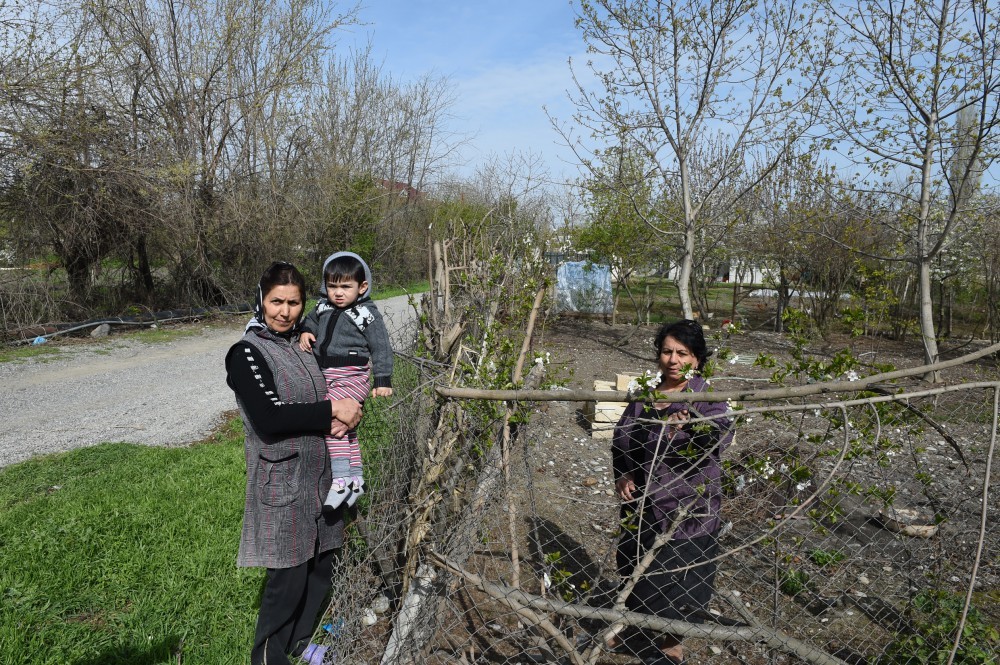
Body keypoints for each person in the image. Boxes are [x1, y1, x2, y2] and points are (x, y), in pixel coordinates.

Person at [226, 261, 363, 665]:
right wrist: (332, 410)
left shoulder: (305, 344)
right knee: (287, 577)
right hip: (283, 478)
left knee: (320, 566)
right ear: (261, 301)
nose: (285, 312)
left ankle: (301, 643)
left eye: (293, 303)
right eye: (276, 302)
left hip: (323, 475)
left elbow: (343, 379)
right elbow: (269, 417)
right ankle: (269, 656)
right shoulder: (247, 352)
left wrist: (353, 407)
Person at [611, 319, 734, 665]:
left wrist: (693, 425)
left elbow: (720, 436)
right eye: (667, 352)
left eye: (683, 353)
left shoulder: (705, 397)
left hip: (687, 506)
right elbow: (621, 438)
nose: (674, 360)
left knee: (682, 575)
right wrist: (623, 474)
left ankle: (672, 641)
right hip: (641, 503)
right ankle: (635, 623)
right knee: (635, 565)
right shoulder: (645, 395)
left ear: (697, 359)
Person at [298, 251, 394, 509]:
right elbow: (310, 321)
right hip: (329, 374)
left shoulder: (365, 313)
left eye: (345, 287)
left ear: (362, 287)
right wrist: (306, 331)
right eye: (332, 286)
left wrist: (382, 379)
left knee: (332, 422)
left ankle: (340, 479)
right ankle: (356, 479)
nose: (338, 293)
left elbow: (381, 346)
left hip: (352, 374)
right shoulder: (323, 306)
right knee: (346, 427)